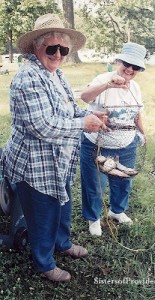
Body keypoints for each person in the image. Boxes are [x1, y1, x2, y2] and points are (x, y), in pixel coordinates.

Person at [0, 14, 107, 282]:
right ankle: (44, 263)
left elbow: (68, 110)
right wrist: (84, 124)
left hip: (58, 162)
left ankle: (63, 243)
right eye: (52, 48)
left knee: (62, 206)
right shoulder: (27, 78)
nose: (58, 54)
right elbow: (41, 126)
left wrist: (88, 116)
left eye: (63, 49)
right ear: (36, 47)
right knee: (42, 217)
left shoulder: (56, 74)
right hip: (34, 166)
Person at [80, 42, 147, 236]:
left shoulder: (135, 87)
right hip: (97, 145)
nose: (130, 69)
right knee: (95, 184)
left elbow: (137, 114)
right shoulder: (103, 79)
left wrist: (143, 133)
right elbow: (84, 96)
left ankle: (117, 211)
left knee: (124, 181)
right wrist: (108, 85)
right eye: (127, 63)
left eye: (135, 67)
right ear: (119, 61)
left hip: (127, 145)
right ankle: (94, 219)